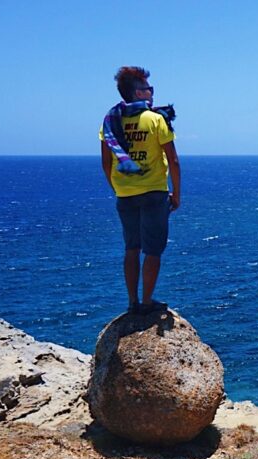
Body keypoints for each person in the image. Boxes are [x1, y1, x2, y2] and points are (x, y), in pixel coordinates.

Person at [99, 66, 181, 314]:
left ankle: (132, 302)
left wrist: (118, 187)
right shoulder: (156, 120)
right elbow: (173, 160)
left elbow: (106, 162)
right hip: (154, 193)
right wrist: (176, 194)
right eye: (148, 88)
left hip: (125, 194)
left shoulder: (112, 120)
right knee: (153, 250)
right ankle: (147, 302)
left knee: (131, 248)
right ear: (137, 93)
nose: (152, 93)